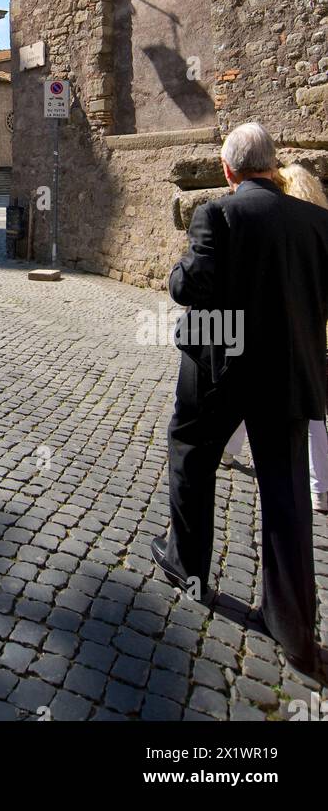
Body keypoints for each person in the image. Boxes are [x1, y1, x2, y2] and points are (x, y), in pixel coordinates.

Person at [153, 123, 328, 676]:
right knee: (286, 491)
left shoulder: (218, 214)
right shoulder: (318, 221)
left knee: (191, 452)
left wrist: (182, 265)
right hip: (289, 369)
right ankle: (295, 628)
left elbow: (190, 288)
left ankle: (190, 567)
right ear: (271, 166)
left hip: (220, 366)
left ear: (229, 170)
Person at [221, 163, 328, 515]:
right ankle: (321, 488)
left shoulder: (282, 225)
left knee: (250, 390)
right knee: (312, 410)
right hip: (310, 335)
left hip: (275, 332)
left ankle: (227, 449)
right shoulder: (315, 227)